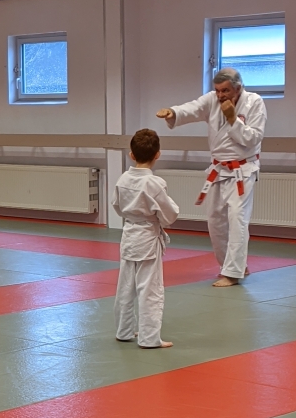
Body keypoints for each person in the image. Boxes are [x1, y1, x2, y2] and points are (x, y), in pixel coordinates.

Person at [156, 66, 266, 287]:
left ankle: (233, 273)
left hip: (242, 170)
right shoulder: (212, 100)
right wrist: (173, 112)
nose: (220, 95)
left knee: (237, 219)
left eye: (225, 90)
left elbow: (253, 139)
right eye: (217, 90)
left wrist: (233, 119)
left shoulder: (254, 103)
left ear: (238, 88)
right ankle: (231, 265)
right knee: (215, 220)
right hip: (218, 169)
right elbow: (193, 108)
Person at [113, 128, 180, 349]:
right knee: (150, 290)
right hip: (148, 238)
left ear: (131, 154)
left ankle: (123, 331)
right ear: (157, 154)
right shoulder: (154, 183)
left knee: (126, 287)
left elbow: (117, 206)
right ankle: (150, 338)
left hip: (129, 235)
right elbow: (170, 215)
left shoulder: (123, 179)